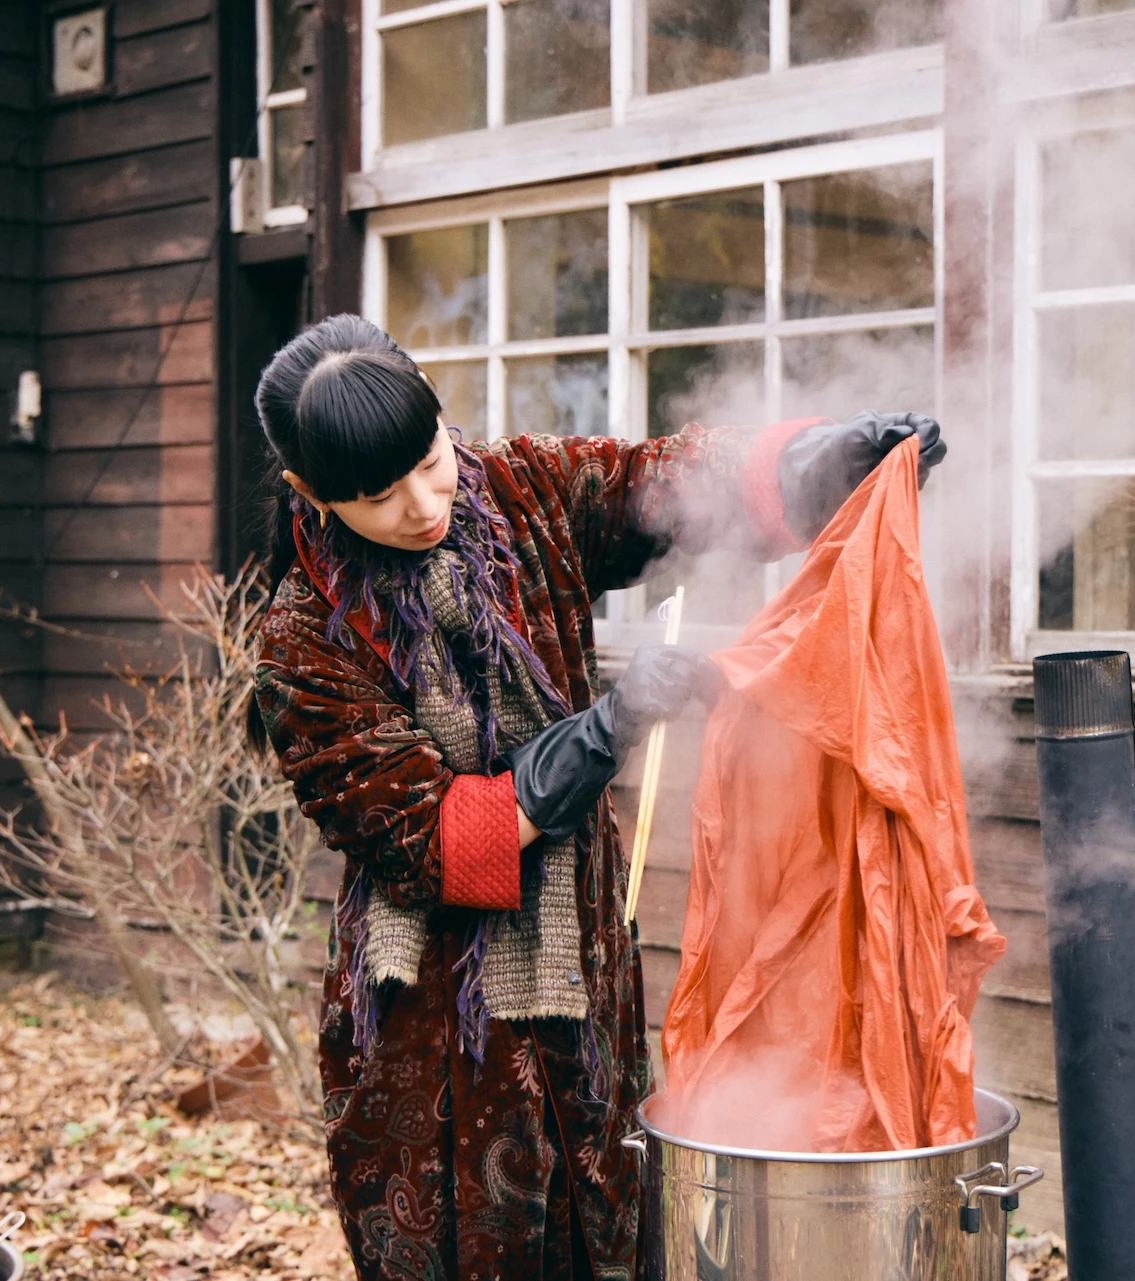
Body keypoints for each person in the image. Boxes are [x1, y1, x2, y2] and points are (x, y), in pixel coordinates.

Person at [250, 313, 944, 1281]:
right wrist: (604, 730)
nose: (420, 504)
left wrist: (821, 461)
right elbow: (441, 847)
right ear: (309, 494)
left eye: (427, 460)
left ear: (444, 418)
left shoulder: (525, 492)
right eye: (375, 496)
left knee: (613, 1238)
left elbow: (662, 487)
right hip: (436, 1037)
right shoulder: (302, 644)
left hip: (582, 976)